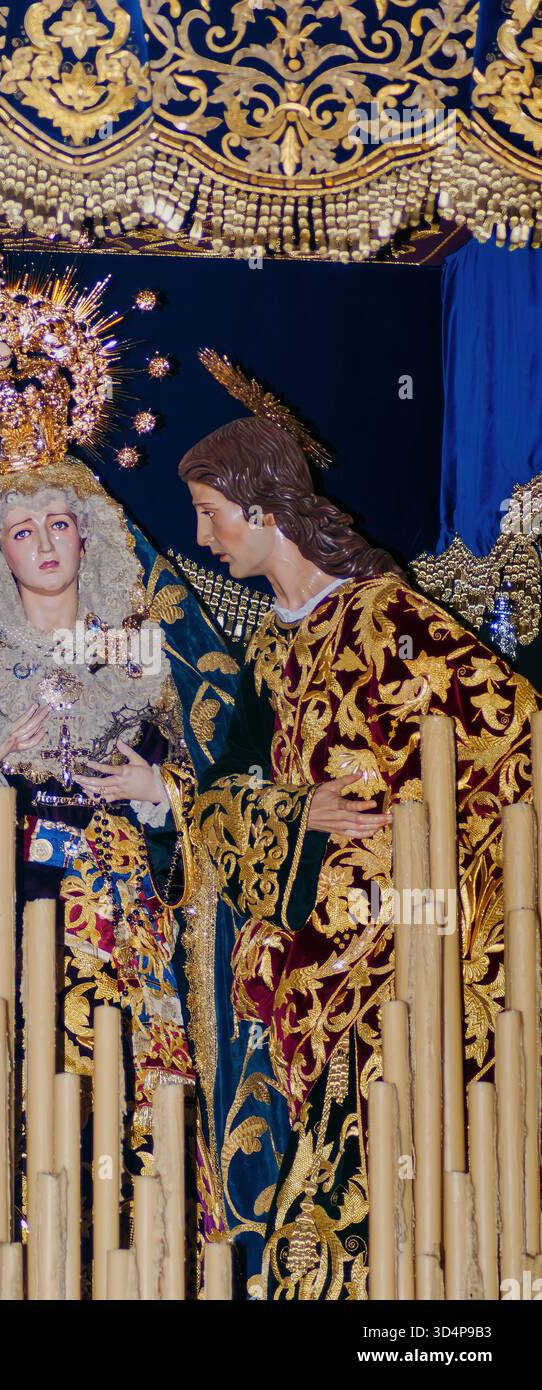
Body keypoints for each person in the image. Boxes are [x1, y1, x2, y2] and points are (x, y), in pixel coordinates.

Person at [0, 236, 287, 1290]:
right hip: (8, 926)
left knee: (138, 1120)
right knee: (13, 1123)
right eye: (19, 527)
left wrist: (158, 794)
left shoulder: (145, 659)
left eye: (58, 521)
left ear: (90, 535)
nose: (42, 541)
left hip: (123, 925)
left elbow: (217, 797)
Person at [178, 361, 541, 1299]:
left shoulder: (394, 623)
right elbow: (219, 796)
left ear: (264, 510)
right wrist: (294, 814)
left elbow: (516, 742)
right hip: (304, 958)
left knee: (384, 1162)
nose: (203, 536)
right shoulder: (269, 650)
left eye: (212, 512)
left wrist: (418, 838)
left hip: (398, 950)